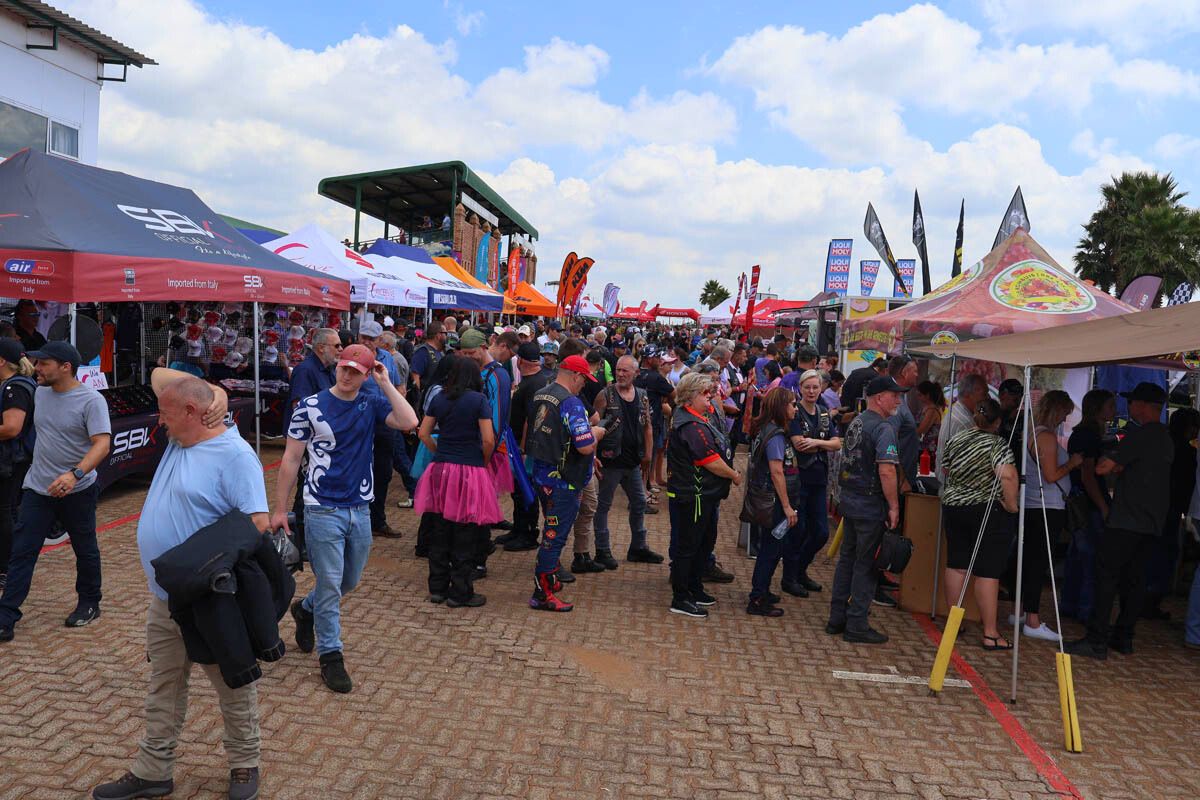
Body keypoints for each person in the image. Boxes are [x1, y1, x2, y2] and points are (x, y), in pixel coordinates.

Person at [91, 371, 265, 800]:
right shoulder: (178, 440)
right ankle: (153, 771)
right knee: (164, 685)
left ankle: (245, 764)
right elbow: (159, 377)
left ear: (190, 413)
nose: (159, 421)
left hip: (210, 600)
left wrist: (200, 566)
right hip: (165, 598)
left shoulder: (235, 455)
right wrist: (217, 391)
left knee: (233, 684)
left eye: (165, 414)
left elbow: (256, 525)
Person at [271, 344, 417, 692]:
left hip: (360, 507)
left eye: (356, 371)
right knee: (331, 582)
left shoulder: (370, 402)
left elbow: (409, 422)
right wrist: (279, 509)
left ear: (366, 374)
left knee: (347, 580)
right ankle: (331, 655)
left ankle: (306, 609)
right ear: (336, 367)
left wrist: (385, 383)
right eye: (344, 368)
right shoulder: (310, 407)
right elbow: (291, 459)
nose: (347, 375)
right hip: (321, 507)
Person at [0, 341, 111, 643]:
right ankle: (6, 616)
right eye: (36, 362)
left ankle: (90, 602)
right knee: (23, 551)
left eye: (44, 363)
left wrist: (75, 475)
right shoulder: (39, 393)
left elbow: (102, 444)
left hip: (78, 489)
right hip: (38, 488)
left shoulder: (91, 401)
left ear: (65, 367)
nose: (37, 368)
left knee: (85, 548)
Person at [1067, 383, 1174, 659]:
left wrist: (1114, 458)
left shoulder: (1140, 435)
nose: (1127, 407)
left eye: (1131, 402)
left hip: (1127, 519)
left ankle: (1096, 639)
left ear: (1142, 406)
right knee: (1135, 580)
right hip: (1152, 521)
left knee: (1106, 576)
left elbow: (1102, 468)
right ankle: (1124, 637)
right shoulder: (1165, 437)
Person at [825, 375, 905, 644]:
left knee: (847, 560)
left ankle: (837, 617)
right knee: (866, 564)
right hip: (870, 505)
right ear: (880, 398)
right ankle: (857, 624)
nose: (898, 400)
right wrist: (894, 506)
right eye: (894, 395)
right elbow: (886, 470)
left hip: (850, 501)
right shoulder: (883, 428)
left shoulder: (857, 421)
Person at [415, 355, 499, 608]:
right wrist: (483, 461)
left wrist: (438, 451)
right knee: (465, 530)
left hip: (441, 468)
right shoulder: (479, 400)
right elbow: (488, 439)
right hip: (469, 469)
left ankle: (437, 587)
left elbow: (423, 433)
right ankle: (460, 591)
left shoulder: (440, 398)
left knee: (440, 528)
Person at [939, 397, 1019, 650]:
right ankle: (990, 633)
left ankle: (954, 624)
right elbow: (1007, 475)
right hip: (985, 508)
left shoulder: (957, 439)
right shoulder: (997, 444)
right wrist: (1011, 505)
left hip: (954, 506)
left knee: (957, 565)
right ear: (997, 422)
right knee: (987, 570)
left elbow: (946, 470)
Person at [525, 355, 603, 612]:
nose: (584, 385)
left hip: (542, 474)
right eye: (584, 379)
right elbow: (584, 446)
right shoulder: (571, 403)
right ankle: (542, 593)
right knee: (554, 536)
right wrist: (596, 433)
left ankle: (550, 579)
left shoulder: (540, 394)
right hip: (564, 481)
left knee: (551, 527)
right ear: (576, 375)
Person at [665, 372, 739, 618]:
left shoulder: (696, 418)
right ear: (692, 395)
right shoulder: (689, 425)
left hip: (703, 495)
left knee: (702, 543)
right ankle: (681, 596)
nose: (710, 396)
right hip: (693, 495)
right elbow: (709, 460)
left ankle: (694, 587)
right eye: (705, 393)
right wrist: (733, 474)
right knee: (688, 546)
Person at [1009, 390, 1081, 643]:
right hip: (1046, 506)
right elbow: (1051, 475)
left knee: (1029, 560)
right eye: (1064, 413)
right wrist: (1072, 463)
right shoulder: (1047, 437)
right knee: (1038, 563)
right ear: (1056, 410)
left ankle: (1020, 611)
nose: (1065, 419)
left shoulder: (1032, 432)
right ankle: (1032, 619)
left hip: (1033, 504)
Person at [591, 355, 658, 570]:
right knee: (603, 506)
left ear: (636, 373)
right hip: (610, 461)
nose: (620, 374)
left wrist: (648, 454)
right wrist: (593, 457)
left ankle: (638, 547)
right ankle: (602, 550)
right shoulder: (605, 395)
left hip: (633, 462)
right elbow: (593, 426)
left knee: (639, 503)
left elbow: (647, 426)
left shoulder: (642, 396)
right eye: (618, 370)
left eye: (625, 371)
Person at [782, 370, 840, 595]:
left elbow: (837, 443)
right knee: (798, 531)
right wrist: (824, 444)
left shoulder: (824, 412)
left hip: (819, 480)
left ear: (821, 388)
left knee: (821, 533)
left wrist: (815, 442)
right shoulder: (795, 413)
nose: (812, 391)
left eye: (815, 387)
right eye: (807, 387)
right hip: (799, 480)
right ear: (800, 388)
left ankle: (800, 570)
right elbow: (799, 444)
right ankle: (789, 578)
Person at [1061, 389, 1116, 623]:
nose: (1114, 410)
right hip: (1088, 503)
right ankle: (1085, 609)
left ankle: (1070, 603)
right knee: (1090, 558)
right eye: (1110, 406)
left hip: (1081, 501)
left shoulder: (1085, 435)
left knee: (1078, 555)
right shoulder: (1088, 437)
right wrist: (1103, 506)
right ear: (1098, 408)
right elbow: (1088, 476)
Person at [744, 387, 796, 618]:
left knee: (771, 547)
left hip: (764, 497)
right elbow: (777, 472)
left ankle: (762, 589)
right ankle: (758, 597)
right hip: (772, 501)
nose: (795, 408)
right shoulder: (775, 435)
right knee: (771, 549)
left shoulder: (765, 429)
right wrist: (786, 506)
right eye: (792, 404)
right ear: (781, 407)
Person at [1144, 407, 1200, 619]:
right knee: (1165, 554)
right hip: (1172, 508)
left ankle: (1146, 600)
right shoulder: (1187, 453)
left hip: (1156, 507)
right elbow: (1186, 485)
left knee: (1155, 552)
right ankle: (1151, 601)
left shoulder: (1163, 446)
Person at [498, 342, 553, 553]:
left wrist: (523, 449)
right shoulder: (533, 381)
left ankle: (528, 533)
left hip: (525, 448)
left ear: (521, 361)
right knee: (517, 491)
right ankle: (519, 528)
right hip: (518, 444)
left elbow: (532, 420)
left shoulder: (534, 384)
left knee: (525, 490)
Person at [356, 320, 405, 538]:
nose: (366, 342)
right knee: (359, 469)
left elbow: (396, 386)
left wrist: (398, 404)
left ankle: (378, 521)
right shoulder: (353, 357)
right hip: (360, 421)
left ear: (379, 340)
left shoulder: (387, 358)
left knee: (383, 472)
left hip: (385, 422)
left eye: (371, 338)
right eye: (363, 337)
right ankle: (359, 520)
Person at [0, 339, 35, 590]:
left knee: (4, 512)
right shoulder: (11, 385)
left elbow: (12, 428)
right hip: (11, 459)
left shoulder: (15, 388)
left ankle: (7, 569)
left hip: (11, 461)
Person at [635, 345, 675, 499]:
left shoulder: (636, 374)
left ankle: (643, 487)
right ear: (649, 359)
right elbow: (674, 394)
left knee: (642, 456)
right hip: (652, 422)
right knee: (648, 456)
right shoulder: (656, 377)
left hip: (637, 420)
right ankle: (643, 490)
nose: (660, 360)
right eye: (657, 357)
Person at [935, 374, 988, 485]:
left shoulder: (957, 412)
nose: (987, 398)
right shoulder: (965, 422)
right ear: (968, 394)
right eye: (984, 394)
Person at [915, 380, 945, 472]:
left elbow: (922, 430)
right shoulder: (925, 408)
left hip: (929, 450)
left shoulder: (932, 410)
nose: (918, 398)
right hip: (922, 448)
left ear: (927, 395)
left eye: (920, 395)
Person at [410, 320, 447, 395]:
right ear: (438, 335)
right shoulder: (423, 351)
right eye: (445, 333)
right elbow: (415, 376)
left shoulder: (440, 352)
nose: (446, 336)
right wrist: (418, 397)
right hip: (426, 397)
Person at [997, 379, 1026, 465]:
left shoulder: (1024, 417)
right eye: (1013, 393)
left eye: (1020, 394)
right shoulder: (994, 416)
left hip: (1020, 465)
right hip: (1001, 464)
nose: (1018, 397)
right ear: (1002, 395)